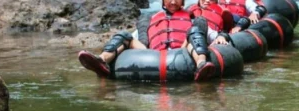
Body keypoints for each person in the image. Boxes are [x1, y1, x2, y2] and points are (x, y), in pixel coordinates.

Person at [78, 0, 214, 81]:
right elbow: (134, 37)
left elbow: (209, 35)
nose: (173, 1)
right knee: (124, 35)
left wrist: (222, 37)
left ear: (183, 2)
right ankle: (102, 61)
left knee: (194, 33)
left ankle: (201, 64)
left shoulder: (191, 18)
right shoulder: (153, 18)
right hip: (152, 54)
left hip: (183, 50)